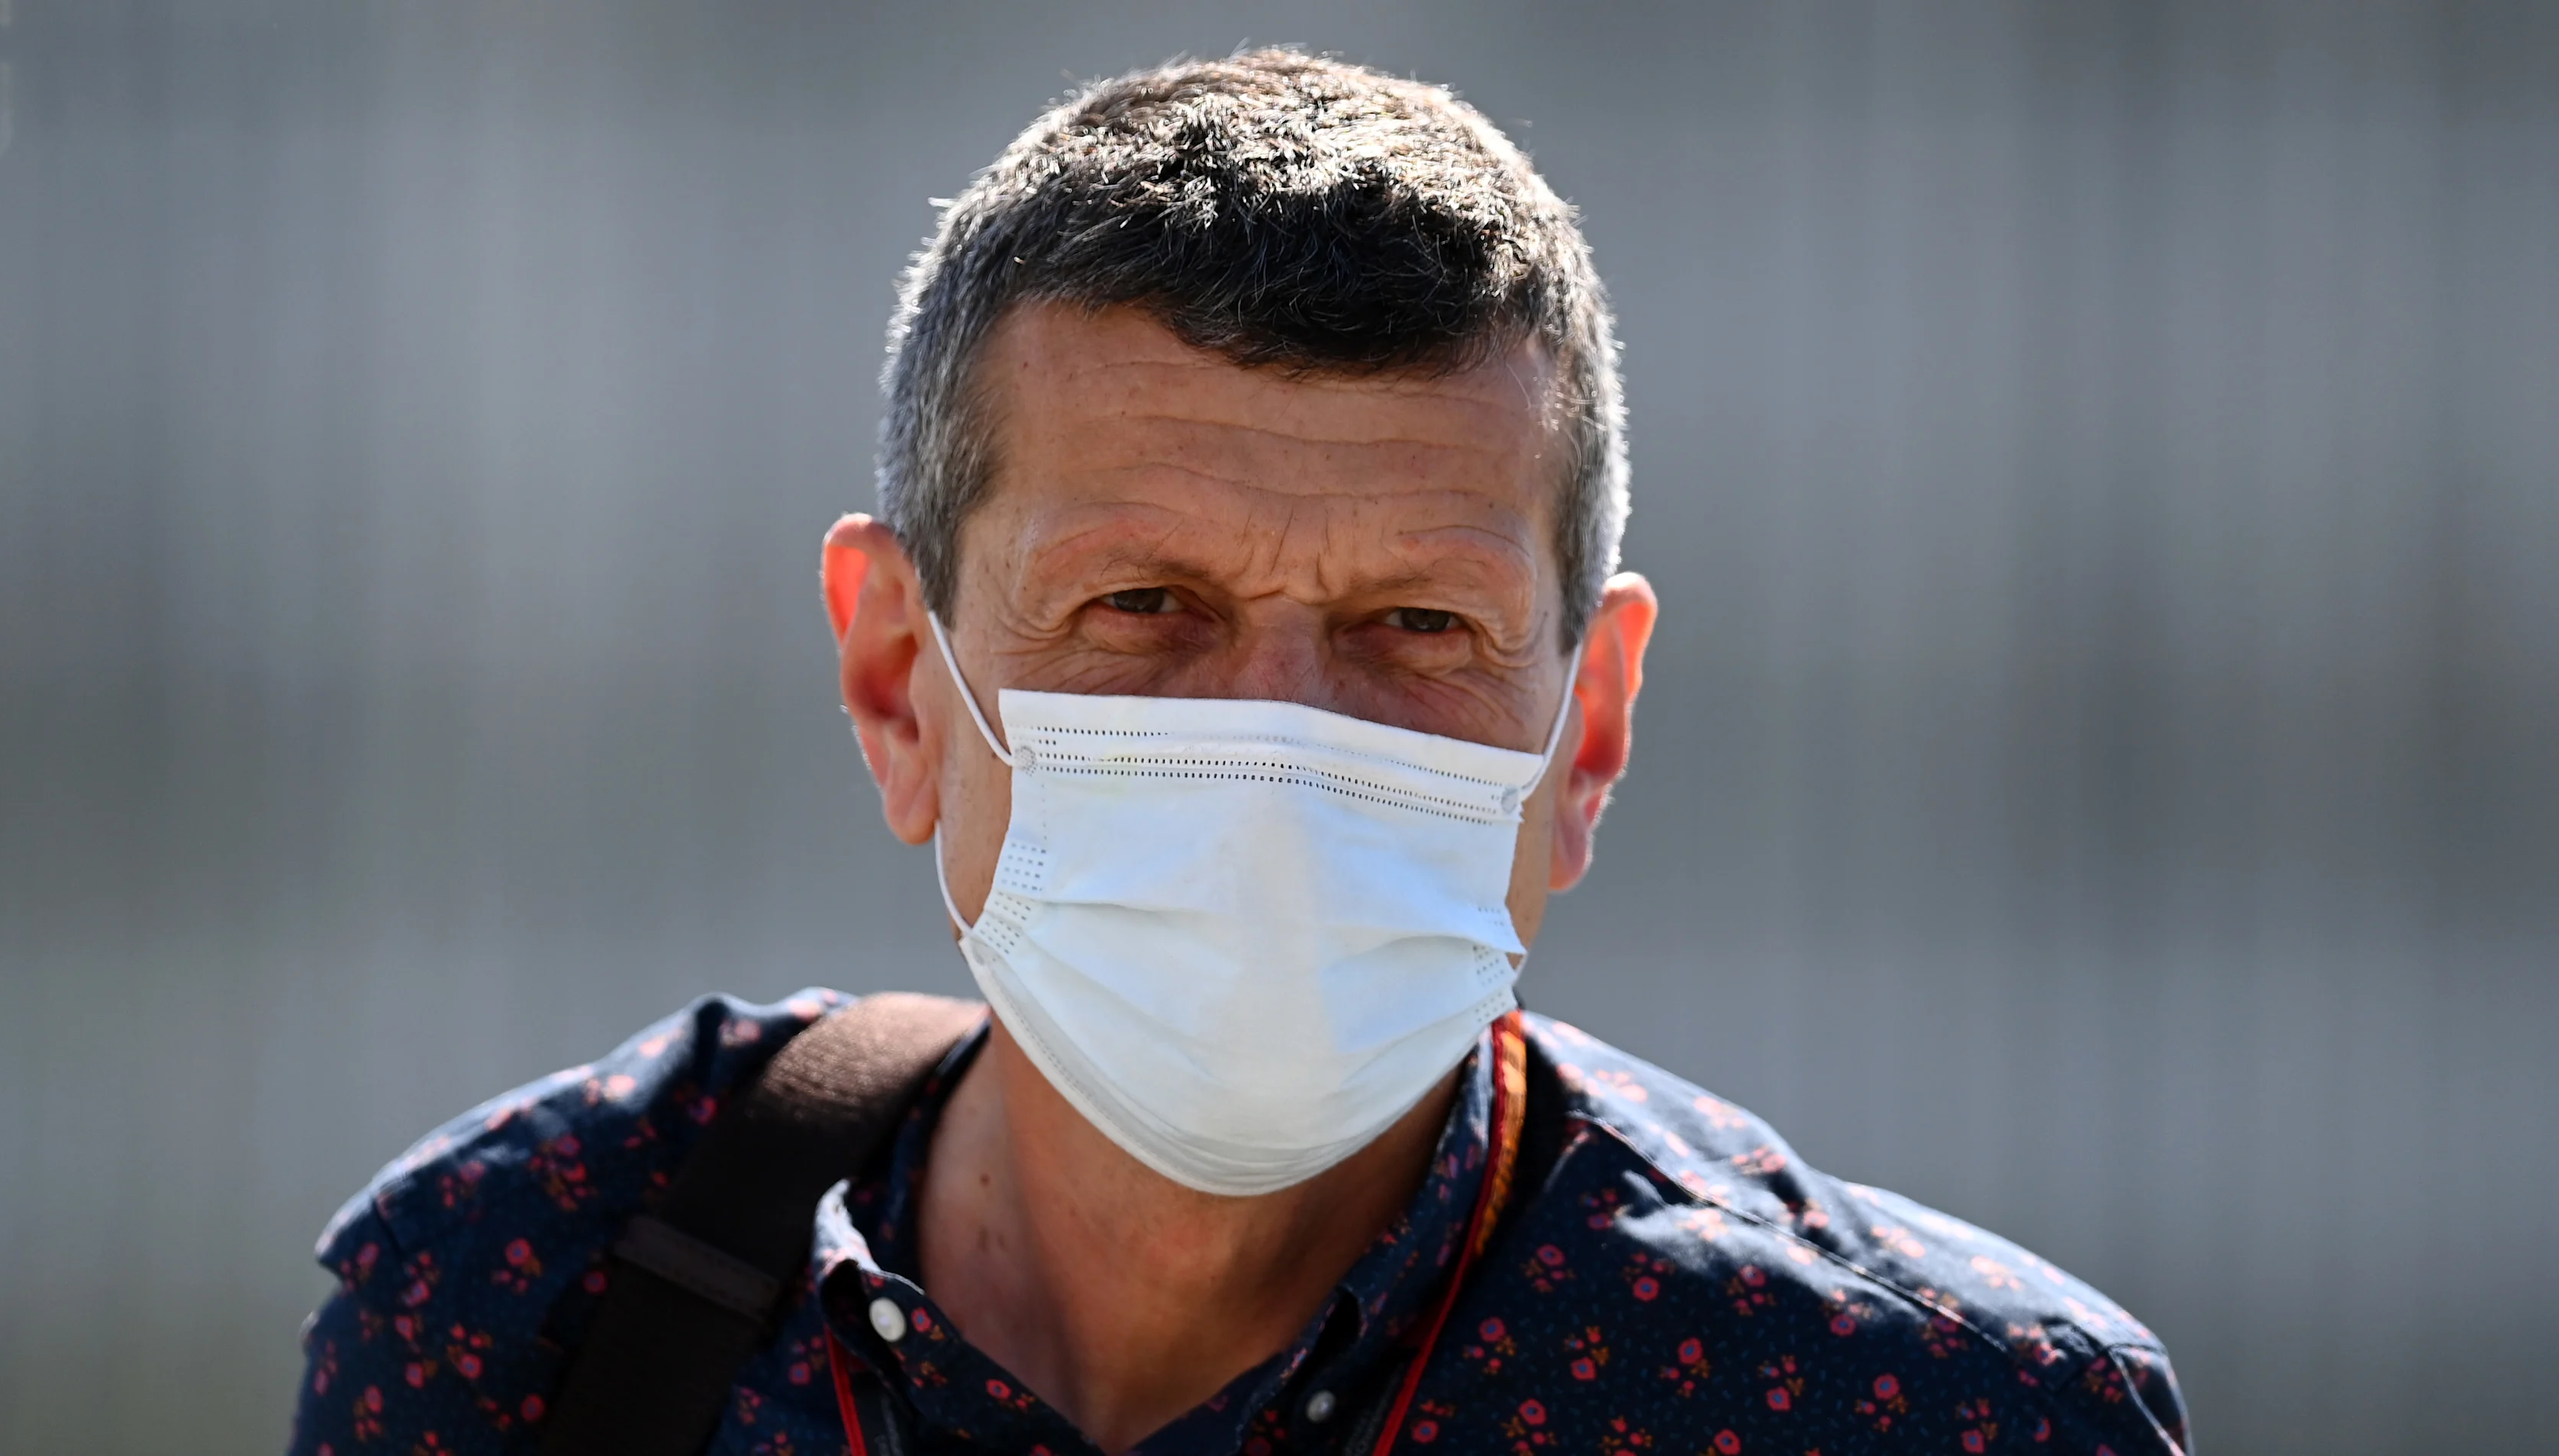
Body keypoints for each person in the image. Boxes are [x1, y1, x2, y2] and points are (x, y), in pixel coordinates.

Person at [288, 50, 2188, 1456]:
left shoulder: (1914, 1416)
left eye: (1416, 630)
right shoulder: (526, 1308)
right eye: (1141, 610)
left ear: (1587, 731)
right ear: (896, 686)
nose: (1275, 744)